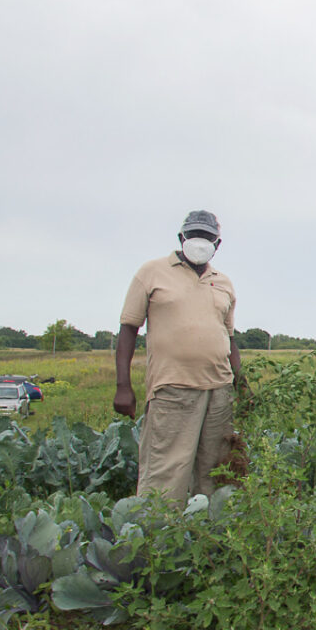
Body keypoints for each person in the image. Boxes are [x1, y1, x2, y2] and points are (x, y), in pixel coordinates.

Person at [114, 209, 242, 501]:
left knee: (217, 471)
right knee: (166, 471)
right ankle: (158, 536)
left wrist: (240, 381)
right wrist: (123, 386)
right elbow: (128, 329)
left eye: (207, 237)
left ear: (217, 244)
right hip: (172, 388)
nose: (200, 241)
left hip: (219, 390)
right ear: (181, 238)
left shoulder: (223, 282)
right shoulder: (152, 272)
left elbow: (229, 336)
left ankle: (209, 535)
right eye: (195, 235)